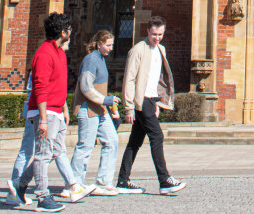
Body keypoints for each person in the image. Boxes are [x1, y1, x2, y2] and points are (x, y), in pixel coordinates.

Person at [24, 12, 88, 212]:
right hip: (46, 113)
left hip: (56, 112)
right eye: (69, 29)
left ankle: (19, 185)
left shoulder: (59, 52)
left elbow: (57, 85)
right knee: (43, 155)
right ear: (63, 32)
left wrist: (64, 108)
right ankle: (43, 197)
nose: (71, 32)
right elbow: (40, 87)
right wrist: (43, 119)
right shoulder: (44, 53)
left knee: (57, 151)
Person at [116, 15, 186, 194]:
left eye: (160, 34)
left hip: (150, 100)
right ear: (147, 31)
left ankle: (123, 180)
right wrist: (129, 107)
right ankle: (164, 180)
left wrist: (158, 102)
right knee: (157, 136)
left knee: (135, 141)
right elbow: (129, 79)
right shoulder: (138, 50)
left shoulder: (161, 49)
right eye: (154, 34)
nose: (157, 37)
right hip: (141, 100)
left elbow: (158, 79)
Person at [69, 29, 121, 195]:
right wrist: (106, 100)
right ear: (99, 44)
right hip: (87, 109)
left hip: (99, 109)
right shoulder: (91, 59)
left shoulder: (101, 59)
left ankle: (104, 182)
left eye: (112, 45)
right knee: (85, 146)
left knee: (112, 141)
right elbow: (86, 87)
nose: (111, 48)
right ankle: (74, 184)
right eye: (108, 45)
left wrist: (109, 103)